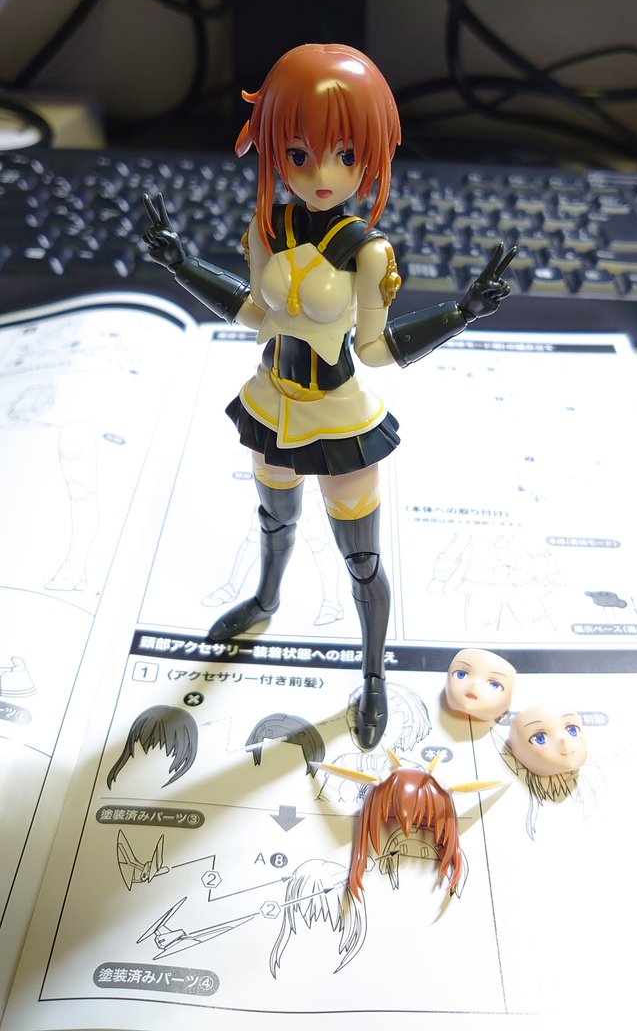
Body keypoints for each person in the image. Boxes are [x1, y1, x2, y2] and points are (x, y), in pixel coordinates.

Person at [142, 43, 514, 750]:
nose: (320, 175)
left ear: (367, 157)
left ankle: (372, 674)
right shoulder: (268, 229)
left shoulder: (367, 251)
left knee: (360, 561)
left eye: (344, 155)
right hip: (270, 405)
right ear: (273, 150)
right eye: (299, 153)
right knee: (274, 521)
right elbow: (254, 313)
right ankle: (265, 599)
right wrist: (181, 263)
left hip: (340, 420)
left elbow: (376, 349)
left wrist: (460, 313)